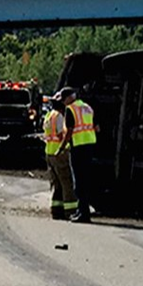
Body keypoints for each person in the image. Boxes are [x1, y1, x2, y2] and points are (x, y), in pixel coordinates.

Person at [58, 86, 97, 223]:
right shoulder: (88, 108)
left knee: (79, 182)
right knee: (85, 180)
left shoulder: (71, 109)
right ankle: (82, 211)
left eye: (63, 99)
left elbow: (69, 131)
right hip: (89, 147)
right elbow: (97, 127)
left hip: (78, 148)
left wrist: (61, 147)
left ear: (69, 97)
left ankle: (83, 214)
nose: (63, 102)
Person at [43, 96, 77, 221]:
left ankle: (56, 210)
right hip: (59, 154)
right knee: (66, 183)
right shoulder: (59, 117)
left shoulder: (48, 116)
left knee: (57, 184)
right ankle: (71, 211)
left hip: (49, 152)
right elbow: (60, 134)